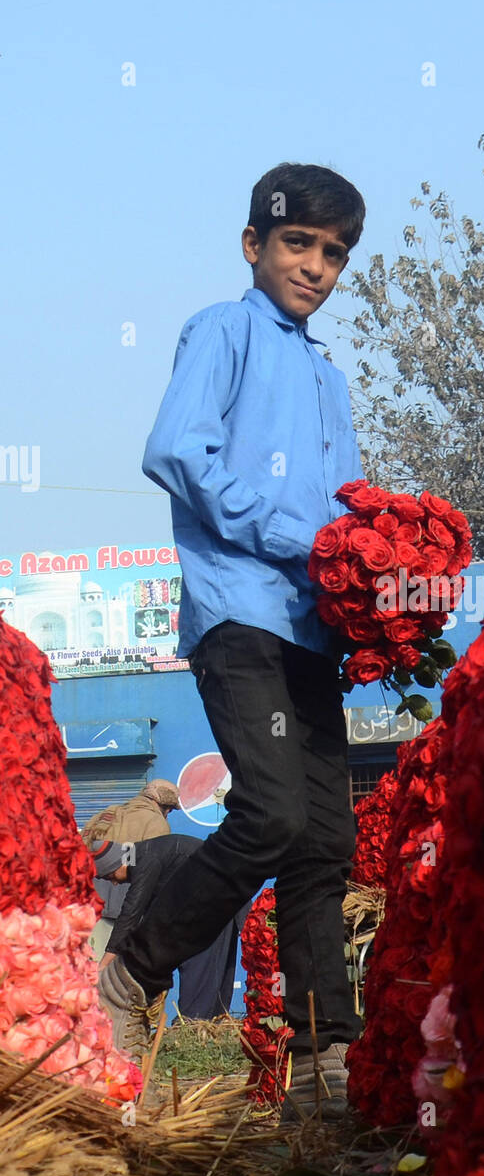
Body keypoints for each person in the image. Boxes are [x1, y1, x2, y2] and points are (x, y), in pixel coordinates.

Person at [98, 163, 366, 1120]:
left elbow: (348, 515)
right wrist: (303, 540)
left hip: (309, 632)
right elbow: (176, 450)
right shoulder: (222, 329)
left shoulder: (329, 375)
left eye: (334, 253)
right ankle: (132, 968)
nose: (316, 265)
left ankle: (325, 1067)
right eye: (298, 243)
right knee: (271, 817)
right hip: (238, 614)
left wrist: (374, 584)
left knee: (326, 844)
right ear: (253, 245)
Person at [93, 838, 252, 1022]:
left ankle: (194, 1030)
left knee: (202, 977)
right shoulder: (143, 853)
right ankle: (207, 1029)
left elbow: (131, 913)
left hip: (214, 904)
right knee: (213, 981)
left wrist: (104, 964)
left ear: (116, 865)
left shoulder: (145, 860)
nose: (114, 884)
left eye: (110, 877)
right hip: (217, 900)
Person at [82, 778, 181, 957]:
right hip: (123, 911)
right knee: (115, 971)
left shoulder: (106, 814)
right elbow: (151, 872)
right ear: (165, 806)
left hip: (88, 904)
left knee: (89, 964)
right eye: (170, 810)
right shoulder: (156, 823)